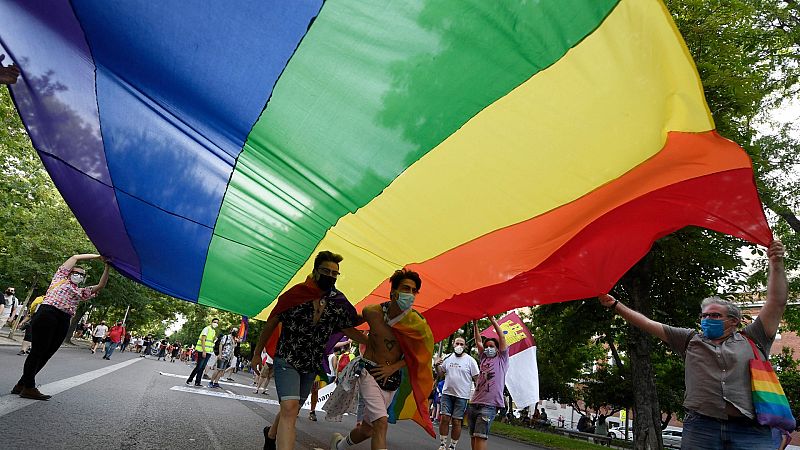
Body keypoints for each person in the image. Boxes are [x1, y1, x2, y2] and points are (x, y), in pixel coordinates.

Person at [598, 239, 787, 449]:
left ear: (734, 321)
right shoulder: (689, 340)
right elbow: (648, 323)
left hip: (750, 430)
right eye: (703, 316)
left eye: (714, 315)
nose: (707, 320)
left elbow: (776, 302)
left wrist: (776, 263)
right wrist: (616, 305)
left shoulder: (754, 338)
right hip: (701, 428)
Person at [252, 251, 364, 450]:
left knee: (291, 409)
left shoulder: (337, 301)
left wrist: (375, 340)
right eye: (326, 271)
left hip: (311, 363)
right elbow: (271, 323)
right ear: (315, 270)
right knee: (290, 408)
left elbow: (349, 326)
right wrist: (256, 354)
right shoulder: (295, 295)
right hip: (287, 358)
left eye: (334, 273)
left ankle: (270, 435)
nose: (330, 276)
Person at [330, 269, 434, 450]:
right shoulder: (372, 312)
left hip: (392, 379)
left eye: (413, 290)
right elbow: (346, 325)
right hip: (369, 372)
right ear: (393, 292)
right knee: (381, 423)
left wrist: (393, 367)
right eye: (405, 288)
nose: (409, 294)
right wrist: (366, 340)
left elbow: (420, 357)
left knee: (368, 429)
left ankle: (339, 446)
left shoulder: (417, 325)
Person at [12, 254, 110, 400]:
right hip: (48, 313)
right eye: (76, 273)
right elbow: (75, 257)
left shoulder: (81, 291)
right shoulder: (59, 279)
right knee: (38, 351)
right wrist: (98, 257)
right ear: (69, 273)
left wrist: (107, 266)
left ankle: (22, 384)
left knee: (48, 353)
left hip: (64, 319)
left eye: (81, 275)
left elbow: (100, 285)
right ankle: (29, 387)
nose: (78, 275)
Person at [466, 316, 509, 450]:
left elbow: (502, 338)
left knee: (480, 436)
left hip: (489, 406)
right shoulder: (483, 358)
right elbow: (478, 340)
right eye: (486, 346)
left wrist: (492, 319)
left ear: (497, 349)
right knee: (474, 436)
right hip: (474, 403)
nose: (488, 348)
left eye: (491, 346)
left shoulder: (502, 359)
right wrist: (475, 323)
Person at [436, 336, 479, 450]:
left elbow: (477, 378)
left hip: (462, 396)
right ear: (453, 344)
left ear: (465, 346)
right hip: (447, 393)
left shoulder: (470, 360)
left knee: (456, 421)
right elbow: (441, 374)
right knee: (444, 418)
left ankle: (452, 446)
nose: (459, 346)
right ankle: (442, 444)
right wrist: (436, 365)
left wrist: (477, 394)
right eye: (457, 343)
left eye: (461, 344)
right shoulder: (448, 358)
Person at [187, 318, 219, 386]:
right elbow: (203, 340)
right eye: (214, 322)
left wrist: (214, 340)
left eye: (217, 323)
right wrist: (204, 351)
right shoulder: (206, 329)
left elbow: (210, 342)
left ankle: (198, 382)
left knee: (202, 367)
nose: (216, 324)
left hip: (209, 352)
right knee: (199, 366)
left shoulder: (213, 331)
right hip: (202, 351)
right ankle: (190, 379)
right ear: (211, 322)